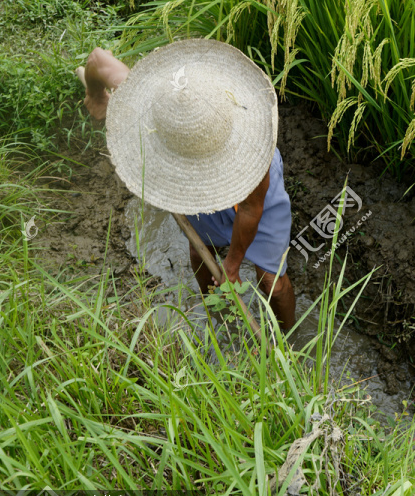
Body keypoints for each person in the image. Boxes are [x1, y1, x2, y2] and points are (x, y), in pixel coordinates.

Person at [77, 40, 296, 332]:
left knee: (272, 284)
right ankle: (220, 322)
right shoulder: (155, 110)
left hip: (252, 199)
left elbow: (250, 210)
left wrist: (231, 268)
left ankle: (289, 341)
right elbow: (98, 59)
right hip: (193, 183)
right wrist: (96, 95)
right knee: (200, 256)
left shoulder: (251, 155)